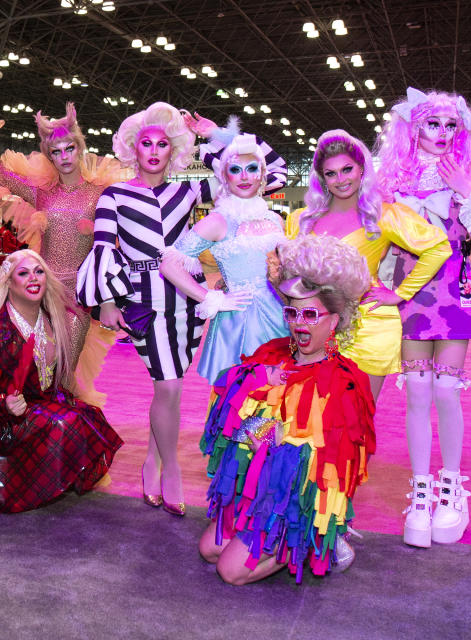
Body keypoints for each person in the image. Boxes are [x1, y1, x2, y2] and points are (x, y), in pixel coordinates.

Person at [77, 103, 285, 516]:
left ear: (173, 150)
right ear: (132, 149)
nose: (154, 151)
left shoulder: (188, 191)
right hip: (142, 300)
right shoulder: (113, 196)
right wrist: (104, 302)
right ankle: (170, 469)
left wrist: (215, 137)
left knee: (169, 392)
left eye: (162, 144)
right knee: (168, 387)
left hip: (188, 301)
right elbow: (101, 248)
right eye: (145, 144)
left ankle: (152, 462)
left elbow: (268, 169)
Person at [374, 88, 471, 547]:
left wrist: (466, 192)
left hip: (453, 286)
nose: (441, 133)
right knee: (416, 388)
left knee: (445, 388)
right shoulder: (389, 173)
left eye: (449, 125)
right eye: (431, 124)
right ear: (412, 127)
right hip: (405, 285)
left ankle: (451, 487)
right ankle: (420, 493)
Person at [198, 233, 374, 584]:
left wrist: (272, 437)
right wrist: (260, 388)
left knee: (229, 572)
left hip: (287, 503)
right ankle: (268, 540)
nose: (299, 323)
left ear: (334, 320)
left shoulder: (343, 382)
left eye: (310, 314)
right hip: (252, 490)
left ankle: (306, 542)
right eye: (292, 312)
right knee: (209, 549)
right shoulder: (271, 356)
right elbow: (230, 423)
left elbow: (328, 467)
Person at [0, 100, 124, 407]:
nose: (64, 157)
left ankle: (61, 439)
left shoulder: (101, 193)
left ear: (80, 148)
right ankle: (37, 433)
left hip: (78, 299)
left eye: (69, 148)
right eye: (56, 151)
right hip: (41, 296)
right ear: (50, 155)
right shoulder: (42, 193)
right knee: (34, 372)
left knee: (63, 375)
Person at [284, 130, 451, 400]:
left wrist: (400, 293)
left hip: (368, 326)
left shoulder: (382, 215)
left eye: (347, 169)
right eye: (331, 173)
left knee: (357, 419)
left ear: (361, 169)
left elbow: (438, 246)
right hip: (313, 328)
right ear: (322, 179)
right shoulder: (300, 220)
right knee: (312, 416)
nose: (341, 179)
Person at [0, 249, 123, 512]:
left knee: (91, 417)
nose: (33, 278)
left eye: (38, 271)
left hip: (39, 403)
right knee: (66, 422)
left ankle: (47, 479)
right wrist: (5, 404)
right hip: (5, 421)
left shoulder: (50, 319)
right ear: (9, 283)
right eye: (23, 273)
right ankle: (24, 484)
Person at [160, 127, 289, 382]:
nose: (244, 177)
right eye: (234, 169)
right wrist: (210, 297)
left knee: (282, 398)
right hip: (240, 320)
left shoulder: (274, 219)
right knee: (243, 395)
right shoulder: (218, 220)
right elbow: (169, 264)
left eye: (252, 169)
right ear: (225, 176)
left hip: (281, 316)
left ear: (262, 175)